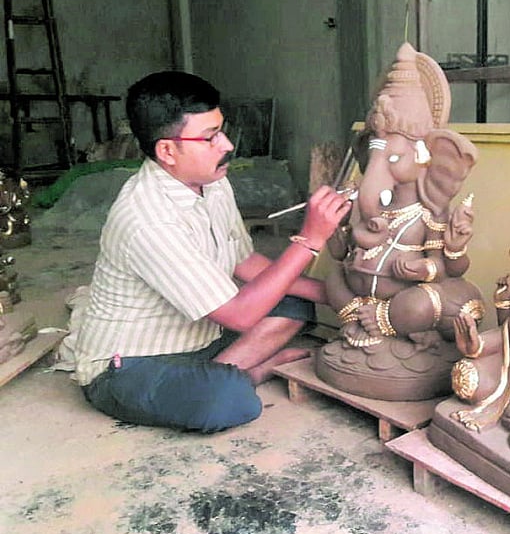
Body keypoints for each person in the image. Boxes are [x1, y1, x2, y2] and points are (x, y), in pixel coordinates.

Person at [74, 71, 350, 432]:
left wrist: (337, 295)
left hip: (201, 332)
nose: (227, 145)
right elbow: (239, 316)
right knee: (228, 401)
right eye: (210, 138)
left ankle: (224, 370)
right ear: (167, 151)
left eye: (221, 131)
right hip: (131, 364)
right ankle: (247, 373)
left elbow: (245, 261)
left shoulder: (211, 181)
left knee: (293, 299)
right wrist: (310, 239)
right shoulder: (147, 219)